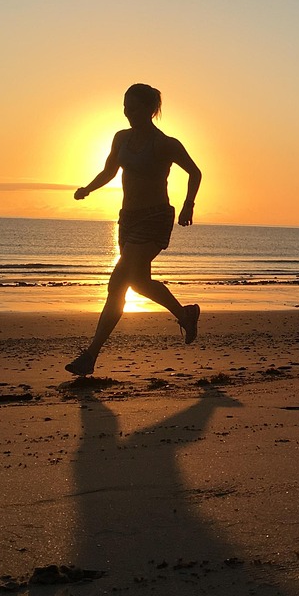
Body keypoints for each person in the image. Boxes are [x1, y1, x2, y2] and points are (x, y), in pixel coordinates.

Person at [66, 83, 202, 377]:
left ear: (150, 110)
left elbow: (195, 172)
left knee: (117, 283)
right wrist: (87, 189)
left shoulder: (165, 144)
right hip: (127, 219)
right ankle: (185, 314)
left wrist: (189, 204)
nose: (128, 112)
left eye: (134, 107)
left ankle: (90, 355)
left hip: (154, 218)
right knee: (138, 283)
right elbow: (110, 171)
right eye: (125, 106)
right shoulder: (121, 138)